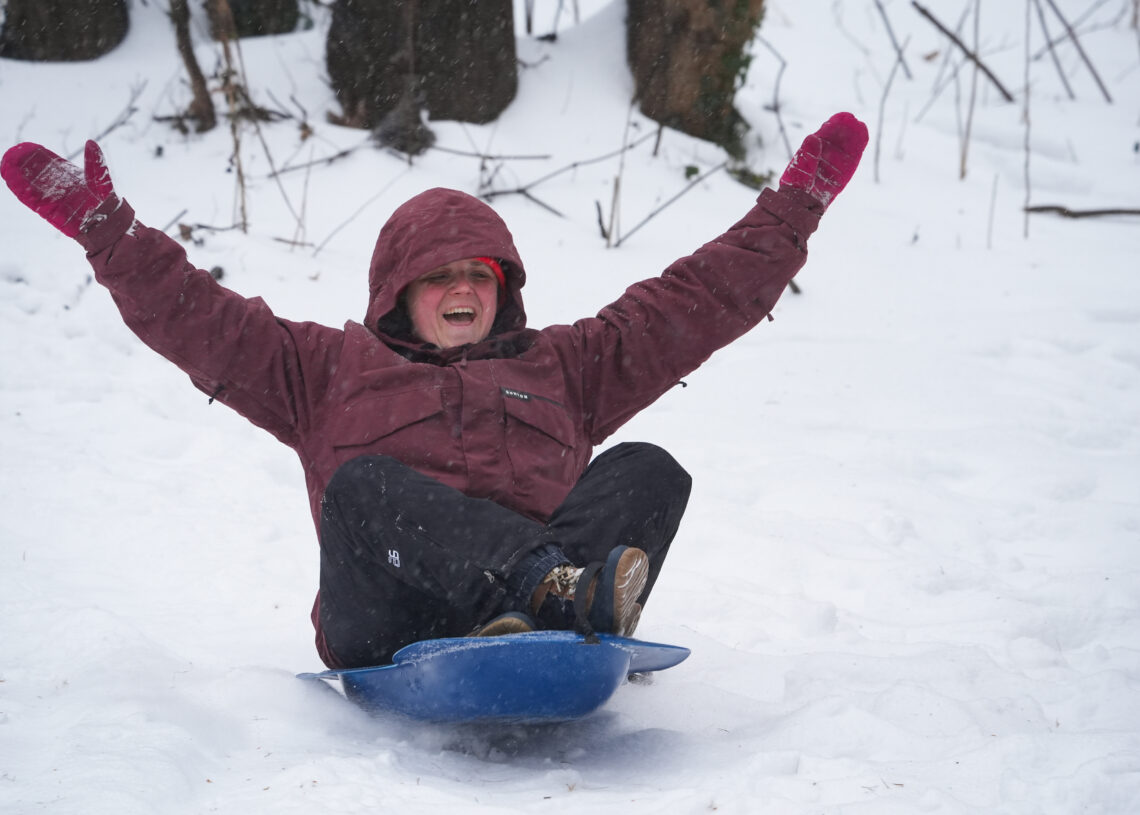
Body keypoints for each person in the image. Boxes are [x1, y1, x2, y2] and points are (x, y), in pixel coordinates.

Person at [1, 112, 868, 670]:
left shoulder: (567, 366)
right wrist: (110, 236)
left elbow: (694, 303)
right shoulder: (323, 369)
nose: (463, 289)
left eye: (479, 273)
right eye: (438, 275)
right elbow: (199, 320)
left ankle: (546, 614)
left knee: (649, 466)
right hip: (389, 619)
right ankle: (548, 592)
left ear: (505, 287)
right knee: (365, 485)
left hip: (542, 615)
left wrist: (793, 210)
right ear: (397, 294)